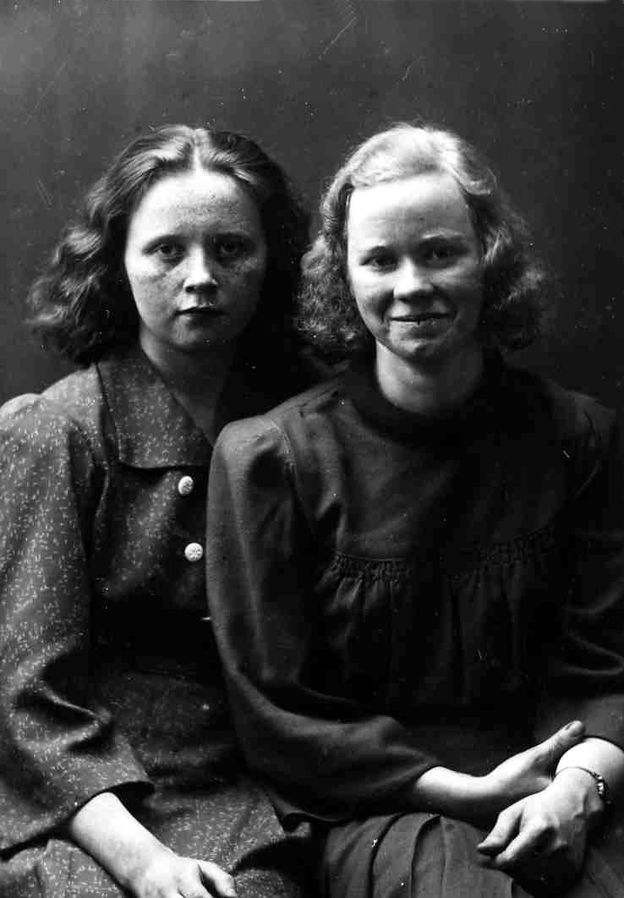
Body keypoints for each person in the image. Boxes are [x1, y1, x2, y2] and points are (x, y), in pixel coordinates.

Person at [205, 124, 624, 897]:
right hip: (385, 808)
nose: (411, 286)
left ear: (488, 258)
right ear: (344, 275)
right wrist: (464, 792)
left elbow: (607, 659)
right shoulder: (272, 459)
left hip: (568, 782)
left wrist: (578, 787)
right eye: (380, 260)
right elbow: (277, 717)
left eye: (439, 253)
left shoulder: (579, 436)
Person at [0, 125, 315, 898]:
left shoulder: (298, 425)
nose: (200, 277)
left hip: (245, 791)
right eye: (167, 251)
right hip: (82, 803)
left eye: (231, 250)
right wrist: (143, 863)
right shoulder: (57, 431)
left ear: (271, 261)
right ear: (118, 263)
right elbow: (27, 699)